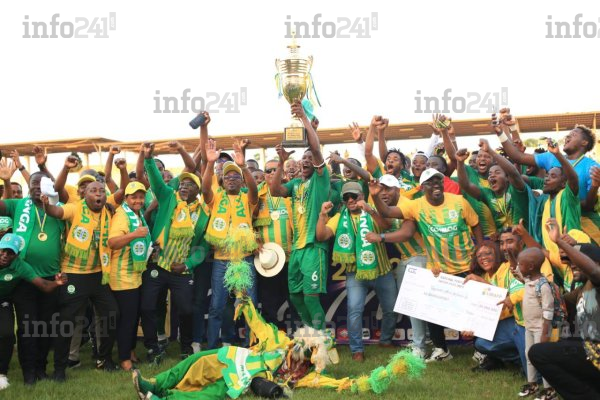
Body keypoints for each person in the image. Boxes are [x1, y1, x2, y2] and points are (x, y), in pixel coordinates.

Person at [131, 296, 424, 400]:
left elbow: (343, 385)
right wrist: (244, 300)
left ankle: (163, 398)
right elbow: (258, 324)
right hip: (232, 356)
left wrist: (385, 374)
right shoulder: (280, 342)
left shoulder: (305, 378)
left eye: (308, 352)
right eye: (303, 345)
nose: (300, 353)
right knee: (192, 364)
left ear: (313, 360)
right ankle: (154, 384)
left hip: (243, 380)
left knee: (210, 393)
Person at [371, 168, 483, 362]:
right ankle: (441, 350)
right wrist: (375, 196)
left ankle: (481, 349)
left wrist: (480, 249)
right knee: (431, 310)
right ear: (422, 188)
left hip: (466, 264)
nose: (435, 185)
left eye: (438, 180)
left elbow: (475, 223)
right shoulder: (416, 206)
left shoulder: (459, 201)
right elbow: (387, 212)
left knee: (472, 309)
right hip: (437, 268)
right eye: (430, 182)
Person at [42, 181, 120, 380]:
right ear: (84, 194)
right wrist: (46, 205)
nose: (98, 194)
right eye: (93, 190)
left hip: (99, 274)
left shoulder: (108, 210)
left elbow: (122, 193)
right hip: (74, 274)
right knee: (67, 321)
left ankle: (104, 359)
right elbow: (56, 212)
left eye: (101, 191)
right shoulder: (75, 208)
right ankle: (60, 369)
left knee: (112, 313)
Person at [315, 182, 396, 362]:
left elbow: (387, 226)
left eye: (354, 196)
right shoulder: (339, 217)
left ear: (362, 196)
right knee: (354, 310)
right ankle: (357, 349)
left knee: (391, 309)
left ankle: (385, 340)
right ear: (343, 201)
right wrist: (322, 216)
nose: (350, 200)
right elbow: (321, 236)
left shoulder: (374, 210)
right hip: (355, 274)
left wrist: (371, 210)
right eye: (346, 197)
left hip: (382, 270)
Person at [140, 142, 206, 361]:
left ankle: (185, 347)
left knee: (186, 310)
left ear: (198, 191)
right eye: (183, 183)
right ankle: (153, 346)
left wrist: (188, 264)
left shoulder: (203, 214)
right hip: (157, 264)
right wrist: (148, 159)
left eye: (191, 184)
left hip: (181, 270)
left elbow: (203, 247)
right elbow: (156, 182)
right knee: (148, 306)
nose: (185, 186)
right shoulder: (168, 197)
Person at [269, 100, 330, 331]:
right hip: (296, 249)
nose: (306, 161)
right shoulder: (295, 184)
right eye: (303, 158)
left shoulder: (320, 180)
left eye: (310, 159)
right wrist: (281, 162)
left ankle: (321, 339)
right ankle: (310, 334)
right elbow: (275, 190)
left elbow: (316, 150)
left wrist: (304, 118)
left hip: (313, 248)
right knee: (295, 297)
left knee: (311, 298)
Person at [0, 172, 66, 384]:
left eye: (42, 183)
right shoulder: (19, 204)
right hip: (24, 278)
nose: (38, 186)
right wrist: (6, 180)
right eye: (34, 183)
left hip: (51, 276)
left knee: (45, 327)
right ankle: (28, 371)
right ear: (28, 186)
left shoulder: (58, 207)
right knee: (28, 327)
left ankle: (40, 368)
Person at [529, 220, 600, 399]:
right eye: (571, 262)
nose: (572, 265)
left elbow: (594, 271)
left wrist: (560, 241)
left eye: (577, 261)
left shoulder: (597, 281)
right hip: (589, 351)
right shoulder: (581, 289)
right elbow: (558, 300)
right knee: (550, 348)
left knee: (540, 353)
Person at [202, 138, 259, 349]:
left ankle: (251, 346)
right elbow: (205, 188)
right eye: (227, 176)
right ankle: (212, 348)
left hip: (244, 259)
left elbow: (254, 190)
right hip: (221, 261)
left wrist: (243, 167)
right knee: (217, 306)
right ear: (222, 181)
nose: (232, 179)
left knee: (249, 305)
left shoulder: (247, 198)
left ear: (242, 181)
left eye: (236, 177)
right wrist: (210, 163)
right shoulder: (216, 198)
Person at [0, 233, 68, 390]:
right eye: (2, 250)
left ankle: (2, 373)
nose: (4, 255)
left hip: (3, 301)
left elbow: (43, 285)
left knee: (7, 334)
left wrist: (57, 283)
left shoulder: (20, 266)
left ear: (17, 255)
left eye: (10, 252)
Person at [107, 181, 152, 371]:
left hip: (135, 275)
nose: (138, 200)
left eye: (141, 197)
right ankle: (124, 358)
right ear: (126, 198)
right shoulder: (121, 215)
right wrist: (134, 234)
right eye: (134, 197)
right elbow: (112, 242)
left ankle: (130, 351)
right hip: (122, 277)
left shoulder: (137, 214)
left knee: (133, 317)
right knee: (127, 319)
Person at [463, 239, 524, 373]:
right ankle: (516, 360)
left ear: (497, 254)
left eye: (488, 253)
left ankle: (524, 360)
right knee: (481, 343)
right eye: (479, 256)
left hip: (516, 321)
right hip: (498, 323)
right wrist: (471, 327)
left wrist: (482, 282)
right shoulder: (484, 276)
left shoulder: (508, 268)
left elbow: (510, 297)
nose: (483, 258)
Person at [456, 137, 529, 231]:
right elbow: (466, 185)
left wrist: (490, 150)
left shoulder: (516, 190)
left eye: (497, 172)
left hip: (522, 237)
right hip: (503, 238)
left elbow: (514, 173)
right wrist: (460, 162)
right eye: (490, 174)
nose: (492, 176)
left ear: (507, 177)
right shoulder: (487, 194)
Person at [253, 159, 293, 328]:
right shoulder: (256, 195)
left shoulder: (291, 191)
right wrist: (254, 241)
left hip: (291, 257)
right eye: (268, 170)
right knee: (269, 302)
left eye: (275, 170)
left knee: (294, 298)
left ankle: (297, 334)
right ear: (264, 174)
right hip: (267, 260)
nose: (272, 173)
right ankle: (272, 335)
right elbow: (248, 222)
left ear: (282, 172)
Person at [516, 247, 558, 400]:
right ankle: (532, 384)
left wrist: (545, 333)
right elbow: (515, 270)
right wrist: (512, 254)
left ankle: (549, 390)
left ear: (531, 266)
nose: (518, 267)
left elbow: (548, 311)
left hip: (541, 328)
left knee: (542, 358)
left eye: (521, 264)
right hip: (529, 327)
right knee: (529, 355)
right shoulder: (528, 280)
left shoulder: (543, 286)